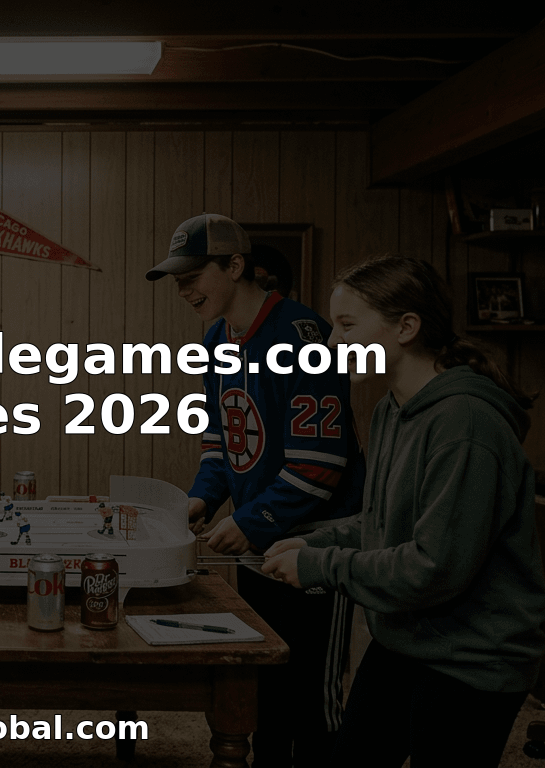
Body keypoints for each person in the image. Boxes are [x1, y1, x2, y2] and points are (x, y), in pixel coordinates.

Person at [262, 256, 545, 768]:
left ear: (407, 328)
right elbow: (382, 520)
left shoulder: (466, 423)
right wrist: (316, 542)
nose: (331, 344)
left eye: (347, 326)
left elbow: (432, 568)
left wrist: (318, 568)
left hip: (473, 660)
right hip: (406, 639)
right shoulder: (392, 406)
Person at [145, 213, 365, 767]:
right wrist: (200, 499)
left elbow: (321, 465)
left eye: (195, 274)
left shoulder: (300, 334)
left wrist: (249, 522)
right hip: (259, 543)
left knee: (312, 697)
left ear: (236, 265)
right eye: (178, 278)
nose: (185, 288)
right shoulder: (216, 337)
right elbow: (221, 438)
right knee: (263, 685)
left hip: (318, 542)